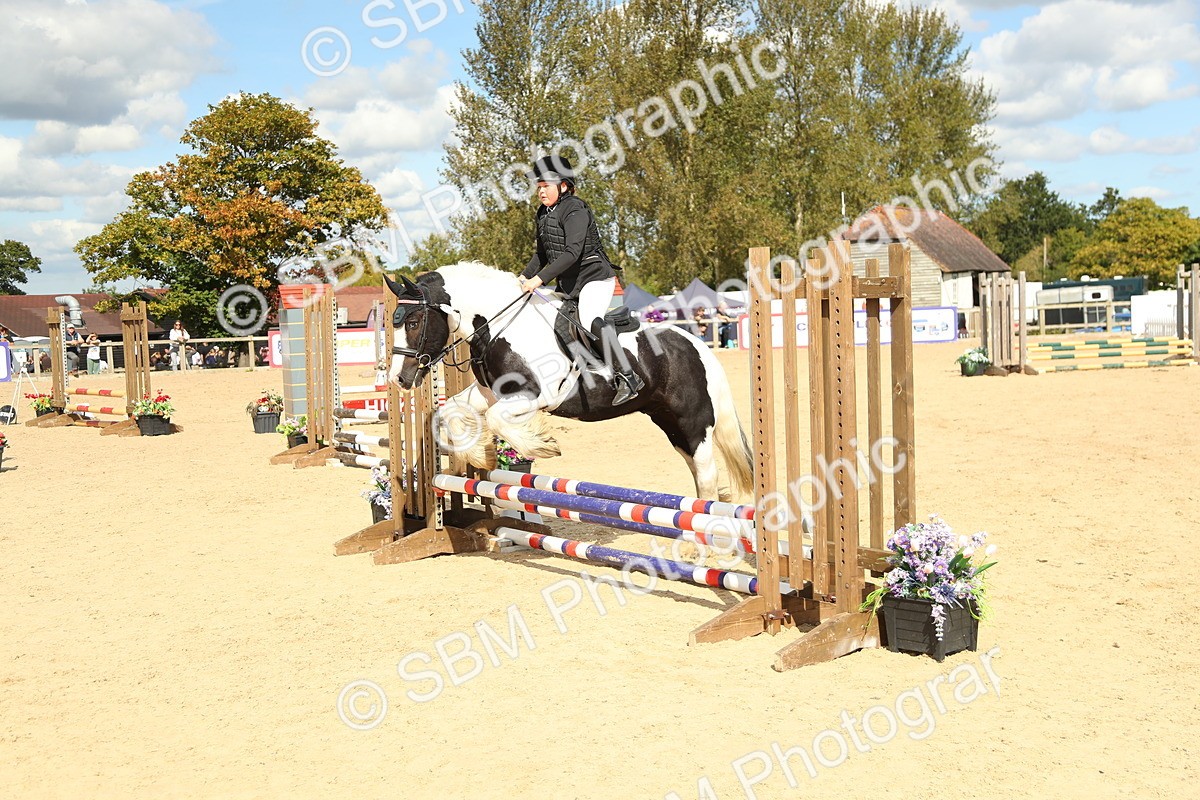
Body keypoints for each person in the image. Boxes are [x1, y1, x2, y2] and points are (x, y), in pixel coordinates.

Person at [521, 154, 644, 405]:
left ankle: (628, 377)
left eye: (546, 186)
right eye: (539, 187)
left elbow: (572, 252)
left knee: (589, 319)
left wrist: (539, 280)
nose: (541, 192)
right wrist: (524, 275)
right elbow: (541, 254)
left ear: (563, 186)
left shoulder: (575, 208)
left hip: (594, 278)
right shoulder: (543, 213)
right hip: (569, 284)